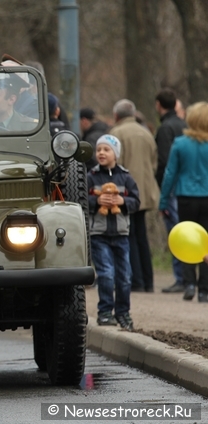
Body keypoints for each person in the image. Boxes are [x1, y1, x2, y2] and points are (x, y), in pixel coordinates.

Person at [88, 135, 140, 331]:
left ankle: (123, 312)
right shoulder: (91, 177)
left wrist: (123, 202)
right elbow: (81, 201)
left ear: (115, 154)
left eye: (106, 149)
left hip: (121, 234)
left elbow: (136, 202)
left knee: (125, 276)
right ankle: (105, 312)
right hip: (98, 234)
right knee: (106, 273)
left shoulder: (126, 177)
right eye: (99, 149)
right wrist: (95, 202)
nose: (101, 152)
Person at [159, 102, 208, 302]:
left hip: (186, 197)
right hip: (207, 197)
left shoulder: (180, 143)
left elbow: (170, 174)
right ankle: (204, 289)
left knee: (188, 239)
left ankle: (189, 283)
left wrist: (163, 202)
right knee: (205, 243)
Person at [109, 99, 159, 293]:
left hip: (126, 192)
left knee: (129, 235)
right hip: (146, 190)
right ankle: (148, 281)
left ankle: (136, 281)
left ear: (116, 116)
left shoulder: (116, 134)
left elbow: (114, 165)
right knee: (141, 236)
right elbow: (154, 163)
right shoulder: (146, 132)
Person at [154, 88, 187, 293]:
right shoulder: (184, 125)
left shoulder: (165, 128)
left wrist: (163, 191)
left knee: (176, 233)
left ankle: (181, 277)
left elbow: (165, 162)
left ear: (159, 105)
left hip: (174, 187)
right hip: (189, 187)